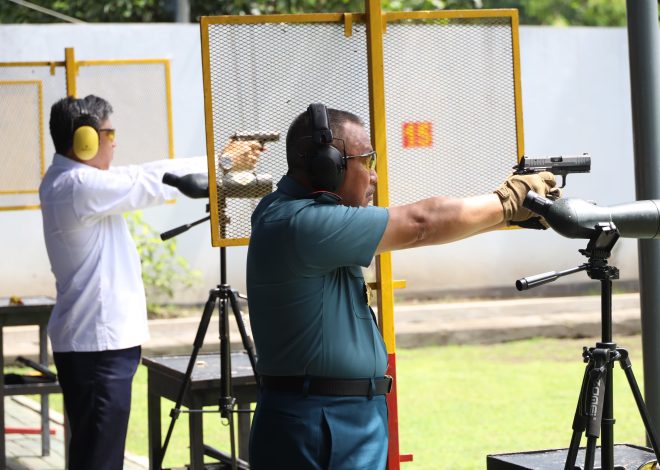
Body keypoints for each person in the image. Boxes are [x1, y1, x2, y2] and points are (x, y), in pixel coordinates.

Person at [246, 103, 559, 469]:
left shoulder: (297, 215)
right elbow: (421, 223)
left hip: (331, 416)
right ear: (328, 166)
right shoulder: (302, 224)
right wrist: (508, 200)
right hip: (322, 423)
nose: (374, 175)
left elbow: (431, 227)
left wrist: (514, 213)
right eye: (367, 161)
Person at [39, 95, 261, 470]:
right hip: (97, 349)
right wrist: (221, 162)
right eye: (108, 133)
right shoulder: (78, 185)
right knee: (99, 460)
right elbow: (148, 181)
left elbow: (140, 177)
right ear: (85, 141)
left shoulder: (68, 182)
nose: (114, 142)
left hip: (94, 346)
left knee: (93, 454)